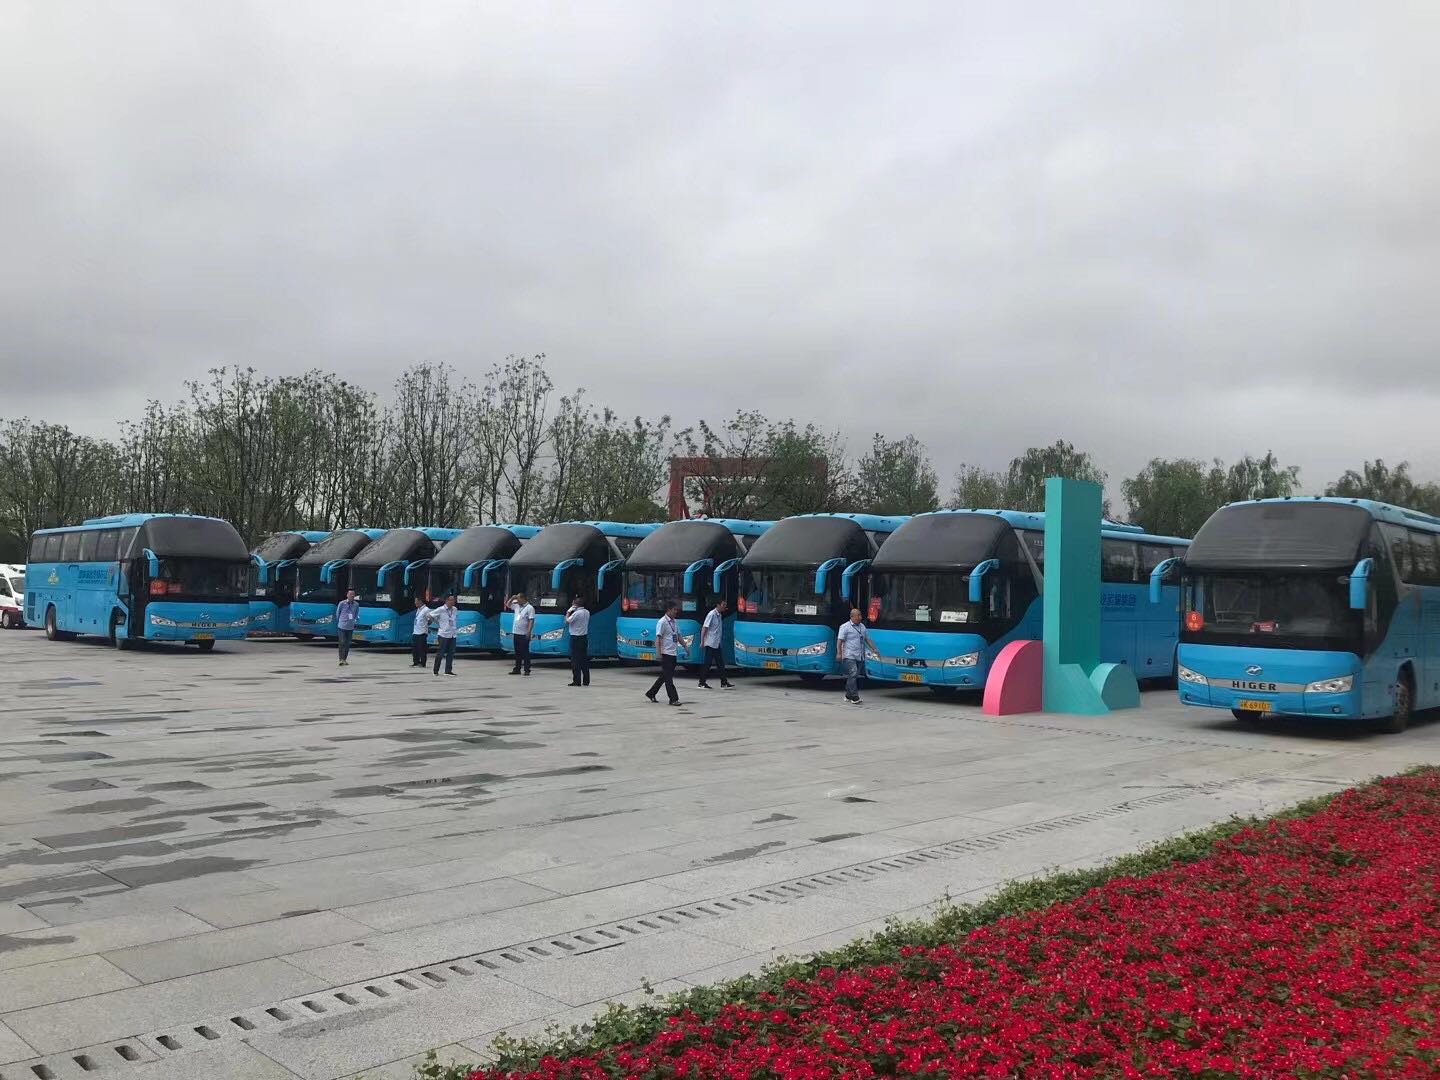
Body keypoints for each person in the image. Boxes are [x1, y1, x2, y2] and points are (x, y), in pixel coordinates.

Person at [645, 600, 686, 706]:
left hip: (673, 653)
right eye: (674, 610)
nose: (676, 612)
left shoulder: (675, 622)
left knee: (665, 676)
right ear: (668, 610)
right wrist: (658, 653)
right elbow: (658, 638)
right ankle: (673, 699)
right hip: (666, 653)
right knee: (668, 679)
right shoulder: (662, 622)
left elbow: (678, 636)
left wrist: (685, 647)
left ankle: (651, 693)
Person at [835, 607, 871, 705]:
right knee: (853, 673)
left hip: (859, 655)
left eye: (860, 615)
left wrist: (874, 649)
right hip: (849, 655)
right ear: (852, 616)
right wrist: (839, 653)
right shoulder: (845, 627)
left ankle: (848, 695)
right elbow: (839, 641)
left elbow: (867, 639)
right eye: (858, 615)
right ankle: (855, 697)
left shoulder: (862, 626)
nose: (860, 617)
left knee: (853, 676)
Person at [697, 598, 733, 689]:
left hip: (716, 643)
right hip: (710, 643)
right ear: (718, 605)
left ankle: (724, 682)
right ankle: (701, 683)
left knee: (720, 663)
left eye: (725, 605)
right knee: (707, 663)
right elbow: (704, 628)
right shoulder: (711, 614)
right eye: (723, 605)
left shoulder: (719, 615)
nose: (725, 607)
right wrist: (702, 641)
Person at [430, 595, 459, 676]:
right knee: (441, 653)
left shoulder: (455, 609)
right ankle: (436, 670)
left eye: (454, 600)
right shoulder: (441, 609)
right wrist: (437, 622)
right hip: (443, 634)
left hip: (452, 634)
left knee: (451, 653)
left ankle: (448, 671)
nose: (453, 602)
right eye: (451, 600)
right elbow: (429, 615)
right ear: (447, 600)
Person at [507, 592, 535, 675]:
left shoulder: (530, 608)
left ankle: (527, 670)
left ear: (523, 599)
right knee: (517, 652)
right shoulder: (517, 606)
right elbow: (508, 605)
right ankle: (517, 669)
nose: (517, 600)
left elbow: (531, 620)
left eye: (518, 599)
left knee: (525, 652)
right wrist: (512, 598)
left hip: (524, 633)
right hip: (516, 632)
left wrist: (528, 631)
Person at [565, 595, 590, 686]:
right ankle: (586, 680)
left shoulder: (577, 613)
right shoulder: (587, 612)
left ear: (575, 605)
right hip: (584, 638)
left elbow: (566, 621)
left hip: (575, 638)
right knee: (584, 659)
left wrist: (568, 612)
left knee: (575, 660)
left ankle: (577, 680)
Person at [335, 588, 360, 667]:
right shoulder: (342, 603)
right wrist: (340, 621)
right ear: (347, 595)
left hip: (350, 627)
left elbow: (356, 614)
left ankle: (344, 659)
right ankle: (341, 659)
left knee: (347, 644)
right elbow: (337, 613)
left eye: (353, 594)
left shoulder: (356, 604)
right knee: (342, 642)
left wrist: (353, 621)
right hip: (342, 626)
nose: (352, 595)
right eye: (350, 594)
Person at [410, 596, 430, 668]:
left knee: (422, 649)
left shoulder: (426, 610)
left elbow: (430, 620)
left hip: (422, 633)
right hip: (415, 632)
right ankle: (416, 662)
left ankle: (422, 663)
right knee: (415, 649)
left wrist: (425, 626)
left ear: (420, 601)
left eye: (416, 601)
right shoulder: (418, 609)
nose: (415, 603)